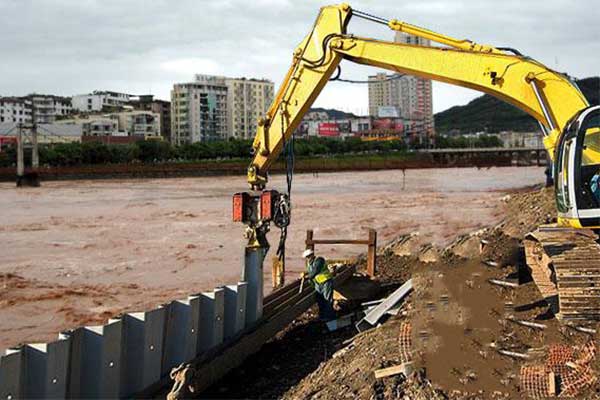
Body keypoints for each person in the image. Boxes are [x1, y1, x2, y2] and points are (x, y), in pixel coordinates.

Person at [302, 248, 335, 321]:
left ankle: (330, 318)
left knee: (327, 300)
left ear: (312, 255)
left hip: (326, 281)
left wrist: (308, 276)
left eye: (309, 256)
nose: (308, 259)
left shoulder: (319, 260)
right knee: (320, 300)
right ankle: (322, 316)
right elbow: (311, 272)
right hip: (318, 284)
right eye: (307, 257)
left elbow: (315, 271)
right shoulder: (309, 264)